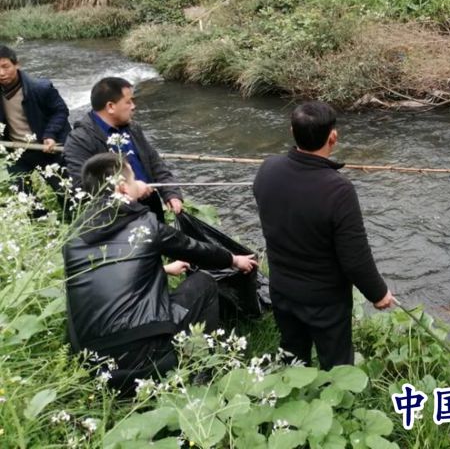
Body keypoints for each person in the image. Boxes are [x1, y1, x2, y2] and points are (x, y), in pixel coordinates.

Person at [63, 153, 258, 391]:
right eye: (133, 178)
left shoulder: (73, 239)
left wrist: (163, 269)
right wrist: (233, 259)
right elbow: (195, 249)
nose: (138, 182)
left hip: (94, 370)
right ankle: (204, 369)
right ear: (122, 188)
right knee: (204, 282)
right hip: (145, 362)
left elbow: (109, 273)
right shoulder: (145, 225)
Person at [253, 101, 394, 369]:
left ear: (292, 131)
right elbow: (355, 257)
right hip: (324, 300)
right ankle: (335, 395)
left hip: (281, 288)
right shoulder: (339, 190)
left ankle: (293, 388)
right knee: (336, 364)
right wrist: (378, 293)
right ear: (333, 137)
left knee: (292, 354)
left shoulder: (268, 168)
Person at [64, 76, 182, 222]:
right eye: (128, 102)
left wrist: (171, 192)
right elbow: (82, 187)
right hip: (117, 218)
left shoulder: (133, 128)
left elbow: (154, 162)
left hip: (150, 207)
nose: (133, 106)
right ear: (110, 107)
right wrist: (132, 191)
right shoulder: (80, 140)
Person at [0, 45, 70, 178]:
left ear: (17, 64)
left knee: (65, 187)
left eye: (5, 67)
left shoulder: (40, 88)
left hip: (47, 148)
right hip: (16, 151)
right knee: (19, 190)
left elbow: (60, 111)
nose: (1, 73)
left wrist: (50, 135)